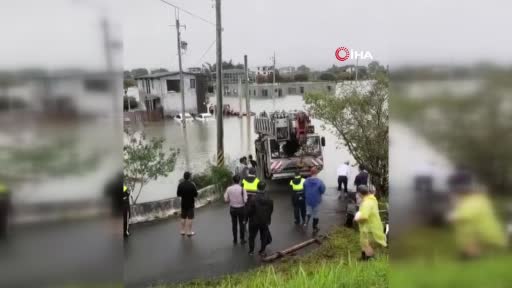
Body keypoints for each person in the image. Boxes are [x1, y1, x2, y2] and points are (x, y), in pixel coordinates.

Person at [447, 170, 507, 259]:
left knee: (469, 236)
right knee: (467, 237)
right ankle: (470, 254)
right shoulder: (469, 200)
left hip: (486, 237)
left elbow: (464, 214)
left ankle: (475, 255)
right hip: (476, 236)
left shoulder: (477, 199)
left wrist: (453, 214)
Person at [354, 185, 387, 261]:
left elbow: (364, 217)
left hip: (369, 227)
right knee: (363, 242)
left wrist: (356, 219)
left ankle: (370, 259)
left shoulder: (366, 203)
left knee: (367, 244)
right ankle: (363, 257)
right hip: (372, 225)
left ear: (359, 193)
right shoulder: (372, 199)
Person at [247, 181, 273, 256]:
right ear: (265, 188)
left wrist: (246, 218)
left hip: (254, 221)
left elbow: (249, 211)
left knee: (252, 237)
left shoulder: (253, 199)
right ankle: (262, 251)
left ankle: (251, 251)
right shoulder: (269, 198)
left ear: (257, 188)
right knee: (263, 236)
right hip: (264, 221)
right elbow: (271, 210)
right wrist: (268, 219)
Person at [224, 175, 248, 244]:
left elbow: (226, 199)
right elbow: (245, 200)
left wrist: (231, 200)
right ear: (239, 180)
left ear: (233, 181)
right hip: (241, 209)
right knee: (242, 224)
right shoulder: (242, 189)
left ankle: (235, 239)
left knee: (234, 225)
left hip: (232, 209)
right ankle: (242, 239)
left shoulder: (229, 189)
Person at [304, 167, 326, 233]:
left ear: (311, 173)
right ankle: (314, 227)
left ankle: (306, 223)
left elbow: (304, 188)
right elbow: (322, 190)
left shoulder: (306, 181)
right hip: (316, 200)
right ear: (316, 173)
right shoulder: (320, 182)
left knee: (308, 211)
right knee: (316, 214)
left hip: (308, 199)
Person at [177, 171, 198, 237]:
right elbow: (196, 194)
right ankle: (189, 232)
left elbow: (178, 194)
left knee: (183, 217)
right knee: (190, 218)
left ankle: (182, 231)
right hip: (190, 203)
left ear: (184, 177)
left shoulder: (180, 184)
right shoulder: (192, 185)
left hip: (183, 203)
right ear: (189, 177)